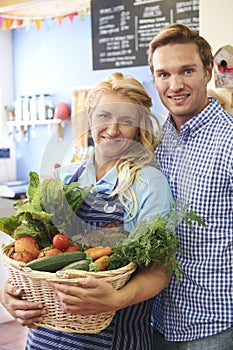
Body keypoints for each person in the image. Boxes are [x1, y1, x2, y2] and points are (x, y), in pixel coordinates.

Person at [0, 72, 174, 349]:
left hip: (114, 338)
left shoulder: (148, 183)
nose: (113, 129)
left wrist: (117, 298)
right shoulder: (63, 177)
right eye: (104, 116)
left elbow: (160, 269)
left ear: (139, 127)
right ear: (90, 119)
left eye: (126, 121)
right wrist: (8, 294)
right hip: (44, 338)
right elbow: (28, 256)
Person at [148, 23, 233, 349]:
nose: (175, 85)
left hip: (214, 327)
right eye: (164, 74)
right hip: (157, 321)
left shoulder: (228, 142)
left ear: (208, 71)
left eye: (187, 71)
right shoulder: (157, 139)